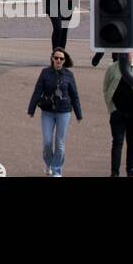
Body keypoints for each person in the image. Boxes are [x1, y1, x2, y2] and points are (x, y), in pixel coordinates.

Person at [28, 47, 82, 176]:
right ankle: (48, 164)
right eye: (56, 58)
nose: (58, 60)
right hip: (47, 111)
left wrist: (78, 113)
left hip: (64, 111)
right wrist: (32, 108)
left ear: (64, 60)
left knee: (60, 144)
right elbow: (38, 91)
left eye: (61, 58)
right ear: (52, 58)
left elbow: (74, 95)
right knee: (47, 142)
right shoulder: (45, 72)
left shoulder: (69, 75)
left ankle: (56, 170)